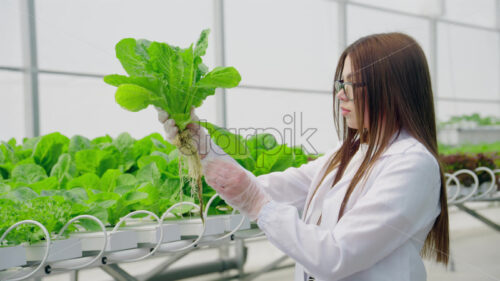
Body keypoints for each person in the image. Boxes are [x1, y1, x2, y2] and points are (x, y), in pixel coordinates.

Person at [157, 32, 449, 281]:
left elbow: (337, 256)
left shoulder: (412, 166)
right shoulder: (352, 149)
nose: (340, 95)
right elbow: (272, 188)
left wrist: (259, 205)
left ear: (392, 89)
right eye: (340, 83)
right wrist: (199, 144)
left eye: (352, 84)